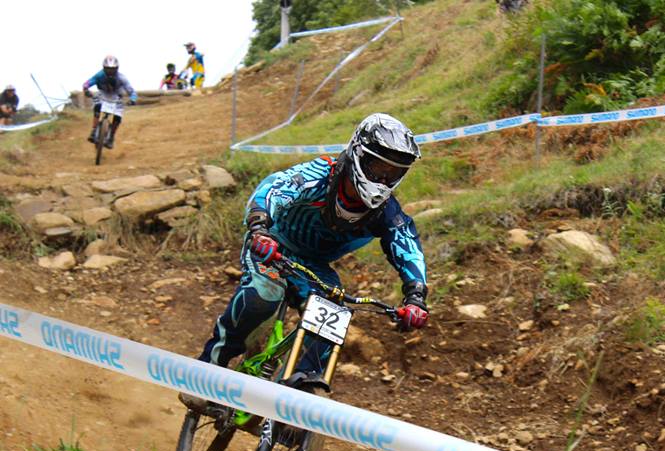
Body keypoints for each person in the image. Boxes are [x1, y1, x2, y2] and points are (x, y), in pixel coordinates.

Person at [179, 113, 429, 411]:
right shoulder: (322, 175)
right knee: (263, 296)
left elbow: (406, 244)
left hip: (315, 267)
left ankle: (302, 393)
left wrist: (416, 296)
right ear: (357, 154)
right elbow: (275, 188)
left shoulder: (386, 211)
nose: (383, 179)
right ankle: (208, 368)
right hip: (272, 245)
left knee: (332, 316)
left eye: (393, 172)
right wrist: (259, 227)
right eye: (378, 167)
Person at [82, 55, 138, 149]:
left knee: (118, 116)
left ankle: (111, 136)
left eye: (112, 69)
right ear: (104, 68)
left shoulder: (122, 78)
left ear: (117, 69)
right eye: (108, 69)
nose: (110, 72)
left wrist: (133, 99)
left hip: (117, 95)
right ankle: (94, 130)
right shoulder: (99, 75)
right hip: (103, 93)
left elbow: (131, 91)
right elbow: (87, 83)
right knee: (97, 106)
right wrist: (86, 89)